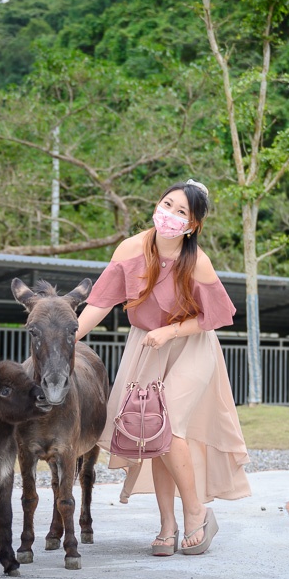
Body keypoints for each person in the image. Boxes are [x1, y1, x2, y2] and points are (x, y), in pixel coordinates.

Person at [75, 179, 251, 557]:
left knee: (167, 424)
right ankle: (167, 525)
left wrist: (171, 330)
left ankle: (197, 515)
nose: (169, 215)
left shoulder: (196, 261)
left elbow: (218, 315)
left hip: (191, 343)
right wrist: (67, 337)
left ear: (193, 225)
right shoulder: (131, 248)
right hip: (148, 345)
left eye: (181, 212)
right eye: (166, 204)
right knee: (154, 432)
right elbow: (100, 303)